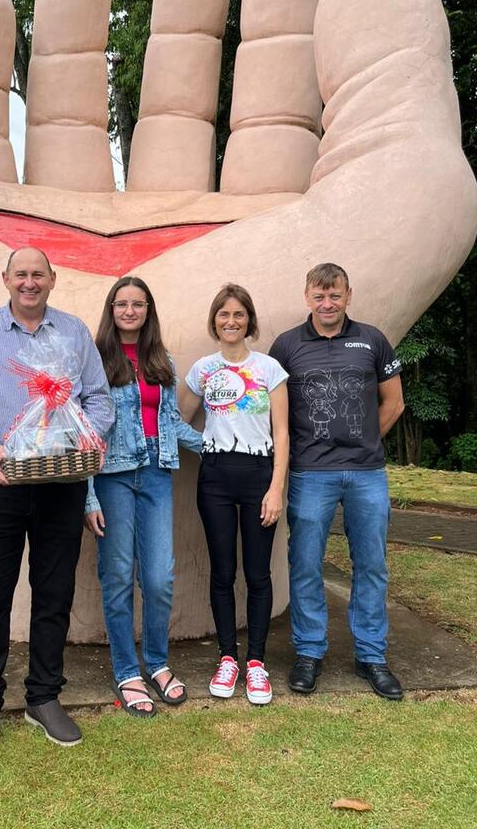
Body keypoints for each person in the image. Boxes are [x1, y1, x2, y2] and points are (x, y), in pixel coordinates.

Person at [0, 247, 114, 757]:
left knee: (54, 589)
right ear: (5, 279)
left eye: (38, 274)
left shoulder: (74, 333)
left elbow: (99, 399)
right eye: (21, 274)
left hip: (61, 479)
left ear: (53, 279)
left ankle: (44, 696)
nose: (29, 282)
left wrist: (83, 436)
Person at [269, 262, 405, 700]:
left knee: (372, 565)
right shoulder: (286, 346)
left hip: (367, 473)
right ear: (307, 296)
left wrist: (365, 439)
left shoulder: (373, 340)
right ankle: (309, 653)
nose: (327, 304)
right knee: (305, 564)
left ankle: (371, 655)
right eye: (319, 296)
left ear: (348, 295)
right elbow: (275, 410)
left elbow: (395, 403)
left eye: (335, 295)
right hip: (311, 473)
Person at [84, 276, 202, 716]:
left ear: (148, 310)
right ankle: (126, 670)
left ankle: (156, 662)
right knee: (116, 577)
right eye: (122, 303)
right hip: (112, 475)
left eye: (138, 304)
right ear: (111, 310)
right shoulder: (93, 360)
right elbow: (83, 432)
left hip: (156, 473)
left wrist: (215, 446)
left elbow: (170, 420)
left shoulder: (161, 359)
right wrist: (87, 497)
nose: (130, 311)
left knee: (158, 578)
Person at [180, 284, 289, 705]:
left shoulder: (269, 369)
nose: (231, 321)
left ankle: (256, 663)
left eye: (239, 314)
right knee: (222, 572)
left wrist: (276, 488)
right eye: (223, 314)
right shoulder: (203, 370)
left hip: (260, 475)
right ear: (215, 320)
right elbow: (179, 419)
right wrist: (207, 443)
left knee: (258, 573)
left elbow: (282, 433)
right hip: (216, 479)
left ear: (249, 320)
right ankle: (228, 657)